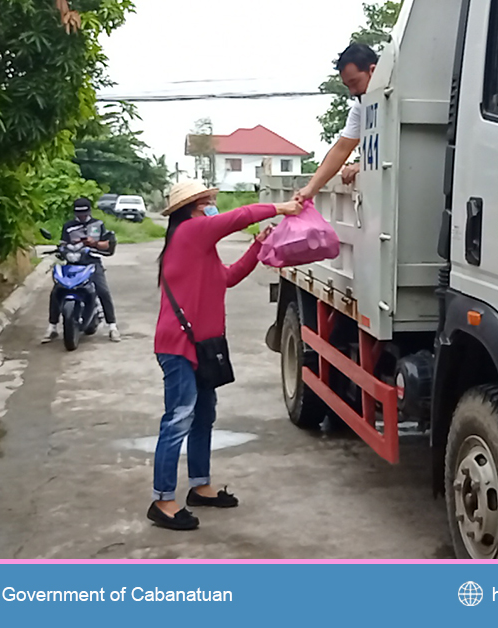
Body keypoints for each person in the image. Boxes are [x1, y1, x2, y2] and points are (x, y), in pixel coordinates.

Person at [149, 180, 302, 531]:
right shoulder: (190, 233)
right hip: (179, 347)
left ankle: (200, 485)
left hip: (203, 347)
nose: (213, 207)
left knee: (203, 416)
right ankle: (163, 500)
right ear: (192, 207)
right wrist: (282, 207)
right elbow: (239, 216)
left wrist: (258, 245)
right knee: (178, 419)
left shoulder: (201, 249)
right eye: (209, 203)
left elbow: (229, 278)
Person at [293, 42, 379, 205]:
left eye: (355, 82)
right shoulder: (361, 107)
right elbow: (342, 148)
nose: (352, 92)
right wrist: (310, 190)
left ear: (373, 71)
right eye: (348, 86)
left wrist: (365, 166)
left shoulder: (399, 98)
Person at [43, 198, 122, 343]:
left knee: (103, 291)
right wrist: (63, 248)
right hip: (72, 263)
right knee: (56, 291)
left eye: (84, 213)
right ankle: (52, 327)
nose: (82, 216)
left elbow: (106, 244)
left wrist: (95, 243)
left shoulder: (98, 224)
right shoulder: (69, 226)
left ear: (89, 211)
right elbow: (62, 243)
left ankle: (112, 327)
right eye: (79, 214)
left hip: (91, 262)